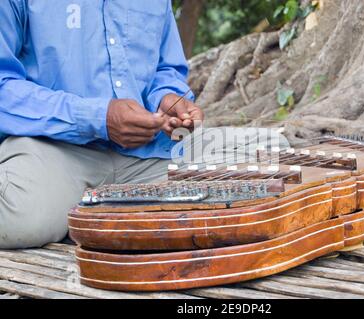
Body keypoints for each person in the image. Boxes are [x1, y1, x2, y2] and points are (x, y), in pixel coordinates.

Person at [0, 0, 287, 249]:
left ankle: (101, 208)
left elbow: (165, 69)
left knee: (271, 153)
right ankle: (124, 207)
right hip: (54, 149)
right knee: (24, 220)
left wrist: (168, 99)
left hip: (147, 154)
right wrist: (97, 117)